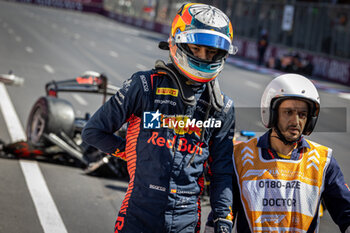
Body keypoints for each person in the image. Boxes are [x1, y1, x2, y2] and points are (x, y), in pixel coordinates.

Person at [82, 3, 236, 233]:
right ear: (178, 43)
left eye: (212, 51)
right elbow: (93, 132)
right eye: (196, 48)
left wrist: (223, 217)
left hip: (185, 219)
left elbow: (222, 171)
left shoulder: (222, 107)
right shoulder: (144, 85)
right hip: (138, 212)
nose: (204, 57)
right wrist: (132, 153)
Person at [231, 74, 350, 232]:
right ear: (272, 113)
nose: (296, 121)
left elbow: (346, 211)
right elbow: (223, 212)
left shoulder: (323, 161)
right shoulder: (240, 156)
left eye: (302, 114)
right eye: (288, 112)